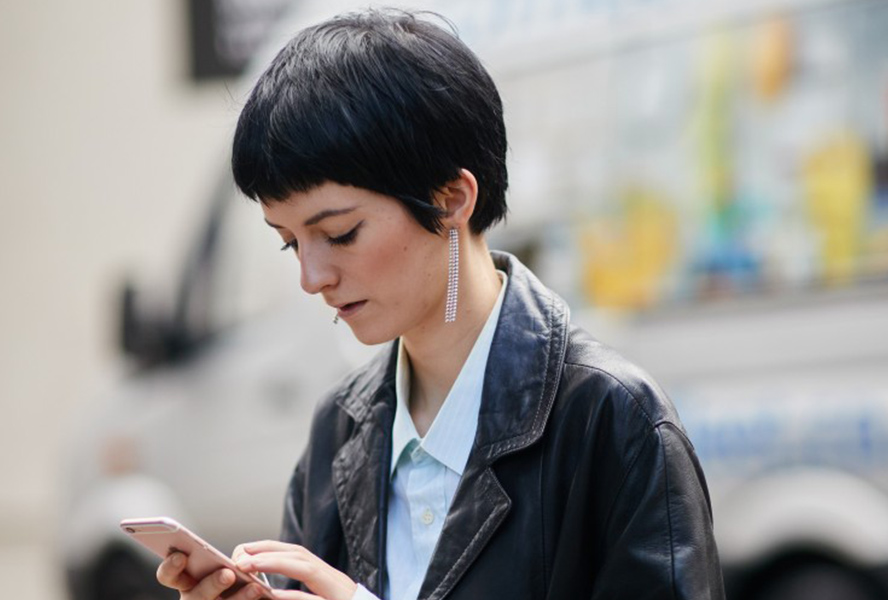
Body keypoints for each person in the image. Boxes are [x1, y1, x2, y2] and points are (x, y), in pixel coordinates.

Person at [157, 8, 725, 600]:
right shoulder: (341, 430)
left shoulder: (612, 420)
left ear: (452, 199)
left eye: (341, 233)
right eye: (290, 242)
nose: (312, 276)